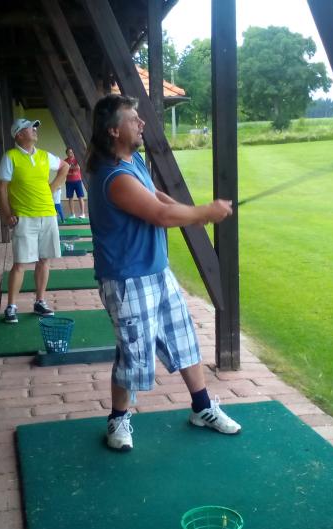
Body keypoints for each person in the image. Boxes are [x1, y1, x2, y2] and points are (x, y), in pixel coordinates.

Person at [86, 94, 241, 452]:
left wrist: (194, 213)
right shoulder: (113, 176)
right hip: (127, 279)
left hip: (157, 271)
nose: (141, 123)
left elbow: (157, 197)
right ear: (114, 130)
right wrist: (204, 212)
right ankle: (117, 419)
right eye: (133, 119)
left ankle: (202, 407)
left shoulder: (133, 161)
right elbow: (160, 216)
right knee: (134, 355)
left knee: (183, 338)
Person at [0, 119, 70, 322]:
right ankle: (11, 306)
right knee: (20, 263)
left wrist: (52, 187)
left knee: (44, 260)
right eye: (31, 128)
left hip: (48, 214)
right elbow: (1, 188)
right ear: (19, 134)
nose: (35, 129)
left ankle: (40, 301)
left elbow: (65, 166)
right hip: (24, 217)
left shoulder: (44, 156)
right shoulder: (10, 157)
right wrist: (7, 214)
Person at [64, 147, 86, 219]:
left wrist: (69, 167)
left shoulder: (77, 160)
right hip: (69, 182)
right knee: (70, 198)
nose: (70, 154)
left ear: (73, 153)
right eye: (68, 152)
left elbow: (78, 168)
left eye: (71, 152)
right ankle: (72, 214)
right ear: (66, 153)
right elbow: (64, 170)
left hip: (77, 181)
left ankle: (82, 214)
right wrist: (71, 167)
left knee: (80, 197)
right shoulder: (65, 161)